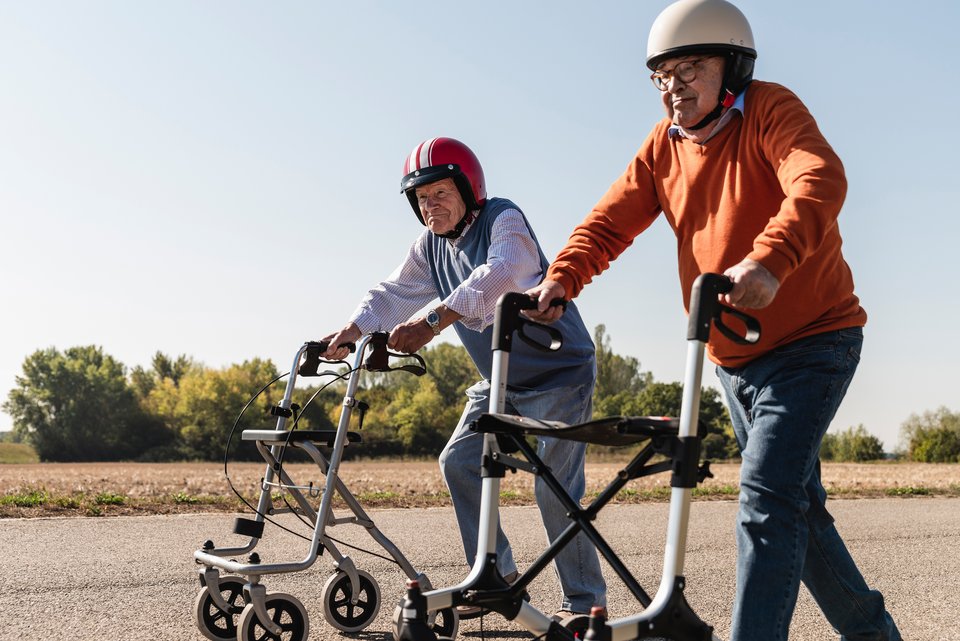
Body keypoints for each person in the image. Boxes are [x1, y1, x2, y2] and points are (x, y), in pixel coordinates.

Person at [525, 1, 901, 640]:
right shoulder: (663, 147)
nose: (674, 87)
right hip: (731, 356)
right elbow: (610, 221)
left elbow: (818, 177)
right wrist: (563, 275)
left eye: (690, 68)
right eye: (662, 76)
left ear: (733, 66)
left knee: (765, 500)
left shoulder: (770, 110)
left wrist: (769, 259)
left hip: (814, 340)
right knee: (796, 510)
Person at [321, 136, 606, 618]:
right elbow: (393, 294)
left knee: (554, 489)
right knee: (458, 462)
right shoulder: (430, 246)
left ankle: (584, 603)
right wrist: (353, 329)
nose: (430, 205)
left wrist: (433, 321)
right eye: (421, 198)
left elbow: (502, 275)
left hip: (558, 374)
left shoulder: (503, 219)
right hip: (499, 380)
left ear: (469, 188)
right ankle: (498, 577)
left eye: (441, 193)